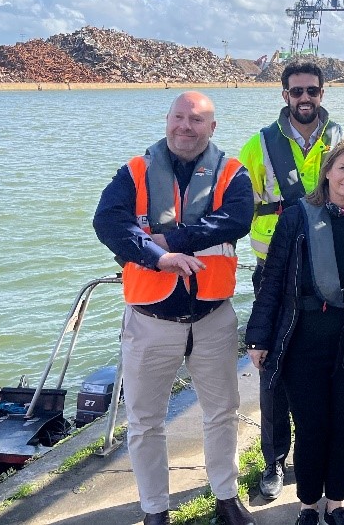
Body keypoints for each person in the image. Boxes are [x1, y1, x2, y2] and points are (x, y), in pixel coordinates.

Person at [92, 92, 256, 525]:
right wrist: (156, 256)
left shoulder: (233, 174)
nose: (186, 127)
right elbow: (107, 221)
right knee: (145, 422)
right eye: (179, 117)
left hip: (212, 318)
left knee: (222, 412)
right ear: (167, 120)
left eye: (197, 120)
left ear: (212, 127)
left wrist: (174, 239)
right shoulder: (135, 171)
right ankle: (154, 510)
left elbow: (236, 220)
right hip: (150, 319)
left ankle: (226, 496)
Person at [245, 140, 344, 525]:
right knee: (311, 425)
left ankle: (337, 502)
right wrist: (259, 336)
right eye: (343, 168)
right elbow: (273, 280)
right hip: (303, 342)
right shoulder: (297, 217)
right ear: (328, 171)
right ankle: (308, 505)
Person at [239, 60, 344, 500]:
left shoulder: (343, 141)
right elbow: (234, 206)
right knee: (272, 369)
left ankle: (313, 455)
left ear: (322, 94)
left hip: (329, 274)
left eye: (312, 91)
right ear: (284, 94)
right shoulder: (258, 145)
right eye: (296, 91)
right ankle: (274, 461)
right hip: (274, 272)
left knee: (323, 369)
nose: (305, 98)